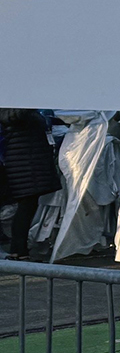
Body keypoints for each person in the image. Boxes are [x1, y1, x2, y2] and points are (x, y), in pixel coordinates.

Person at [0, 108, 61, 259]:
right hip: (28, 164)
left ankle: (18, 250)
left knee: (26, 207)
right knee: (26, 208)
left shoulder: (12, 115)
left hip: (22, 162)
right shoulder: (22, 112)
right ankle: (19, 250)